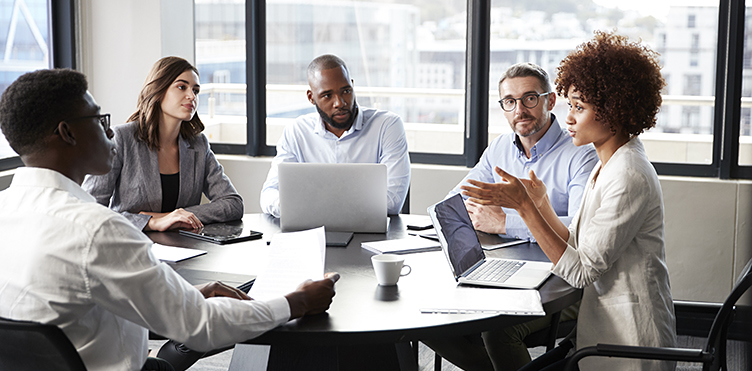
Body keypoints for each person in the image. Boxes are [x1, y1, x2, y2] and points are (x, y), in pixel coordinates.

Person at [0, 68, 339, 371]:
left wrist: (184, 294)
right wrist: (298, 302)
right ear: (67, 133)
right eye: (99, 120)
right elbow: (202, 326)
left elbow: (77, 300)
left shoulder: (6, 208)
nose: (109, 133)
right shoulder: (97, 229)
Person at [462, 31, 676, 370]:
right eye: (570, 105)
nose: (570, 118)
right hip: (600, 332)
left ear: (614, 110)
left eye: (579, 107)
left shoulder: (628, 174)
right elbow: (577, 239)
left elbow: (581, 271)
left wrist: (527, 210)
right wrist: (542, 203)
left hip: (628, 343)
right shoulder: (609, 163)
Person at [426, 62, 596, 371]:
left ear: (550, 101)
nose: (520, 109)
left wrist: (506, 223)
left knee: (499, 330)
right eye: (509, 102)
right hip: (508, 267)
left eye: (530, 98)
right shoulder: (500, 148)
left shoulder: (580, 151)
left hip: (566, 285)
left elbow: (577, 228)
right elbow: (458, 198)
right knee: (426, 314)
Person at [83, 56, 243, 232]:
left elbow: (233, 204)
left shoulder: (198, 144)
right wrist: (150, 222)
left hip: (186, 250)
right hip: (131, 246)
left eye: (196, 90)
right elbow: (90, 211)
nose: (192, 96)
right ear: (158, 90)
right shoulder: (121, 138)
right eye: (182, 87)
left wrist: (176, 216)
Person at [260, 54, 411, 217]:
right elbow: (270, 193)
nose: (340, 103)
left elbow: (392, 201)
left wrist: (306, 207)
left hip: (370, 237)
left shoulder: (387, 126)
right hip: (312, 233)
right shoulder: (297, 131)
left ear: (352, 86)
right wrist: (286, 206)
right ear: (311, 98)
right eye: (327, 95)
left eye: (346, 91)